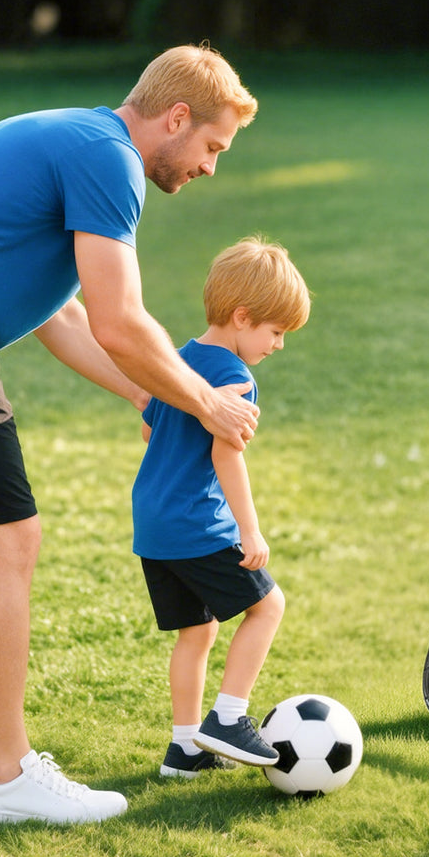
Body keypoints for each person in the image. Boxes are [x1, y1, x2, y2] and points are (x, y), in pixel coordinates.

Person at [0, 44, 262, 824]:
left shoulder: (78, 141)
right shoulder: (110, 162)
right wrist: (207, 402)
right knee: (11, 539)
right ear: (176, 119)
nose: (210, 166)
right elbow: (120, 319)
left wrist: (152, 400)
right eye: (211, 146)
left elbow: (62, 314)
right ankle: (7, 778)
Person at [132, 237, 309, 778]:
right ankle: (228, 719)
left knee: (198, 629)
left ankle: (184, 749)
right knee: (268, 606)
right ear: (242, 317)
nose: (278, 345)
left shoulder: (177, 363)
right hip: (195, 523)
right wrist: (250, 533)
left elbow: (147, 428)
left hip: (153, 525)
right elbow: (226, 456)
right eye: (275, 332)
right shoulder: (236, 378)